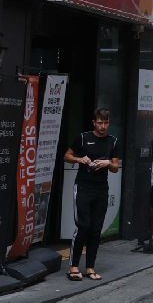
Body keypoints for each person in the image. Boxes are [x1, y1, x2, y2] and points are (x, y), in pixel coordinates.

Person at [63, 107, 121, 281]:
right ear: (94, 122)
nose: (103, 126)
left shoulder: (113, 141)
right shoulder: (83, 138)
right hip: (83, 187)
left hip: (101, 189)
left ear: (109, 123)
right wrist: (80, 159)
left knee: (96, 229)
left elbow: (115, 168)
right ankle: (73, 266)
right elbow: (67, 156)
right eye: (100, 123)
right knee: (84, 226)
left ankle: (90, 267)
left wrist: (107, 163)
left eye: (106, 123)